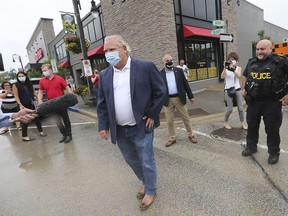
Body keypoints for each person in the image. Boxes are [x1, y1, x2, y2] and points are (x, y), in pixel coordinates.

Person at [97, 35, 166, 210]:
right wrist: (103, 125)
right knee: (131, 160)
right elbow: (102, 102)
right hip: (119, 129)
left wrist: (152, 113)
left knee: (146, 160)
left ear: (124, 49)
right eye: (106, 51)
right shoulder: (105, 75)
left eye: (111, 49)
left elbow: (161, 91)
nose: (108, 54)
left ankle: (151, 190)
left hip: (142, 126)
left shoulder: (145, 67)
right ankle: (144, 180)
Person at [241, 39, 288, 164]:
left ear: (270, 49)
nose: (259, 51)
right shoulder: (251, 62)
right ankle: (251, 147)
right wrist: (244, 88)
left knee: (272, 129)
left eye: (262, 49)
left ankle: (273, 153)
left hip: (272, 103)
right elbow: (245, 76)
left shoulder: (281, 62)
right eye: (257, 49)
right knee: (252, 127)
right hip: (253, 102)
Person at [160, 54, 198, 147]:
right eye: (167, 60)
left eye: (171, 60)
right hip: (167, 100)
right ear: (163, 63)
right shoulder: (160, 73)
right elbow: (158, 88)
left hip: (179, 98)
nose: (169, 62)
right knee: (169, 121)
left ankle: (191, 134)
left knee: (186, 118)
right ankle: (172, 138)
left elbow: (185, 84)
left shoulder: (179, 71)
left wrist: (190, 96)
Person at [38, 64, 73, 144]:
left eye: (45, 70)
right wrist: (40, 100)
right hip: (51, 104)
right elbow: (40, 92)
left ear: (50, 70)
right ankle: (64, 134)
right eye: (43, 71)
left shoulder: (59, 78)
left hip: (61, 102)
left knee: (65, 119)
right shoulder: (42, 81)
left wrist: (71, 96)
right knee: (57, 121)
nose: (44, 72)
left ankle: (69, 135)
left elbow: (67, 88)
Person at [13, 72, 46, 141]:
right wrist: (20, 105)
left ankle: (41, 131)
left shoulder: (29, 83)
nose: (21, 77)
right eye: (19, 76)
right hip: (24, 104)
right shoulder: (15, 85)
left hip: (33, 103)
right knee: (25, 120)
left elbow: (34, 92)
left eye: (22, 75)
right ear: (17, 77)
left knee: (37, 117)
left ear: (25, 76)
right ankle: (24, 136)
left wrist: (39, 99)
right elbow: (16, 96)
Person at [221, 52, 247, 130]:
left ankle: (242, 123)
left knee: (240, 108)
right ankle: (225, 122)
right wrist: (225, 67)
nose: (232, 61)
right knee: (230, 109)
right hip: (228, 90)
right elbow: (222, 77)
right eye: (230, 59)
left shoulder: (238, 68)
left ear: (236, 60)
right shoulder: (226, 68)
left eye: (233, 59)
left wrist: (233, 69)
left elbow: (239, 76)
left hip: (237, 89)